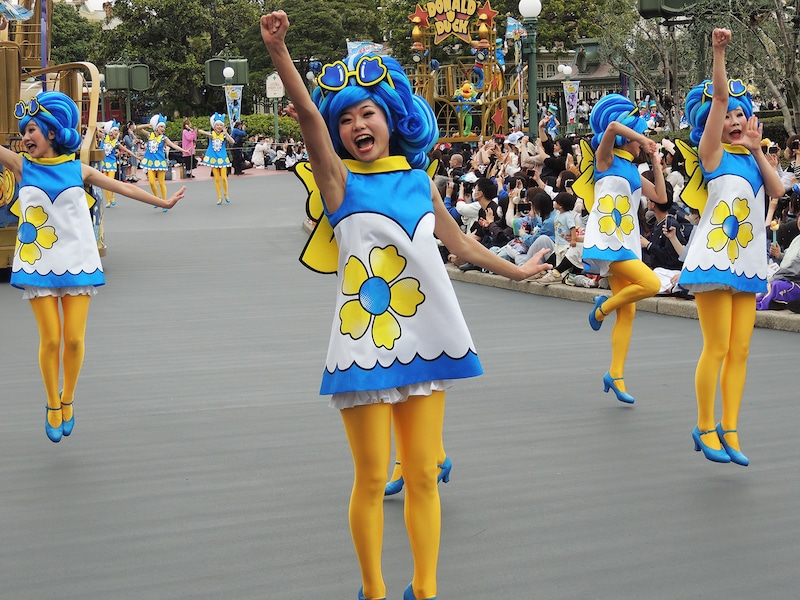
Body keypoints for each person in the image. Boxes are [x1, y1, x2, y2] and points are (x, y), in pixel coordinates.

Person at [259, 12, 551, 600]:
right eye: (346, 117)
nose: (356, 123)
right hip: (364, 345)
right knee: (371, 478)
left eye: (367, 111)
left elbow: (461, 243)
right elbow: (310, 119)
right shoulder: (338, 183)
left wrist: (517, 269)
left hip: (426, 343)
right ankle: (373, 590)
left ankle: (426, 590)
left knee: (421, 476)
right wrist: (279, 51)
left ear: (391, 118)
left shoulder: (420, 183)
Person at [0, 91, 185, 443]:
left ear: (52, 133)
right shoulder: (23, 167)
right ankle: (52, 404)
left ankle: (68, 397)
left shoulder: (77, 169)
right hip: (39, 261)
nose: (25, 137)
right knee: (51, 337)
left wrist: (162, 201)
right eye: (24, 131)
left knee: (73, 339)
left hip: (77, 262)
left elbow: (123, 188)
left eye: (33, 130)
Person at [678, 29, 784, 465]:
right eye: (727, 115)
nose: (734, 119)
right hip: (715, 259)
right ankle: (705, 426)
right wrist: (719, 53)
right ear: (710, 124)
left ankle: (731, 429)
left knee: (740, 350)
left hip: (748, 262)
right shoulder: (711, 155)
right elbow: (719, 97)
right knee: (717, 348)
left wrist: (759, 152)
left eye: (741, 114)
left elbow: (777, 189)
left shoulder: (751, 159)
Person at [577, 93, 665, 404]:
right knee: (652, 284)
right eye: (638, 137)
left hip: (627, 242)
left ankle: (615, 374)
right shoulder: (606, 160)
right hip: (608, 240)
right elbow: (613, 125)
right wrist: (642, 134)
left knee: (628, 313)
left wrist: (655, 161)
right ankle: (602, 307)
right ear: (630, 136)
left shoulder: (635, 173)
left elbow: (662, 197)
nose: (641, 142)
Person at [136, 114, 184, 212]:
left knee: (161, 183)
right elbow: (138, 128)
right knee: (152, 183)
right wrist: (148, 125)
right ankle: (157, 199)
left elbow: (173, 145)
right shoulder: (150, 135)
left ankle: (164, 203)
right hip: (150, 163)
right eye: (161, 126)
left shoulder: (164, 138)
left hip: (160, 162)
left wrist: (184, 150)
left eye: (164, 127)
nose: (163, 129)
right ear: (156, 127)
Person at [198, 113, 235, 205]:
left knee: (224, 178)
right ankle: (219, 197)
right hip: (214, 159)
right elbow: (201, 131)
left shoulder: (224, 135)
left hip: (222, 159)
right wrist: (197, 130)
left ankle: (226, 195)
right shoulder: (212, 134)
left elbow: (233, 141)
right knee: (217, 179)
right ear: (214, 126)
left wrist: (226, 133)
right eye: (217, 125)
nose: (219, 127)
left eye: (221, 125)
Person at [98, 120, 135, 207]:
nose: (117, 132)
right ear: (110, 131)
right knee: (104, 183)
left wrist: (136, 157)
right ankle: (108, 200)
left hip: (111, 163)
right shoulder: (103, 139)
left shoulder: (116, 142)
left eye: (117, 130)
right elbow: (94, 129)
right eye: (115, 130)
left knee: (110, 181)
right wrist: (102, 129)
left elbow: (127, 150)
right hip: (103, 163)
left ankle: (112, 197)